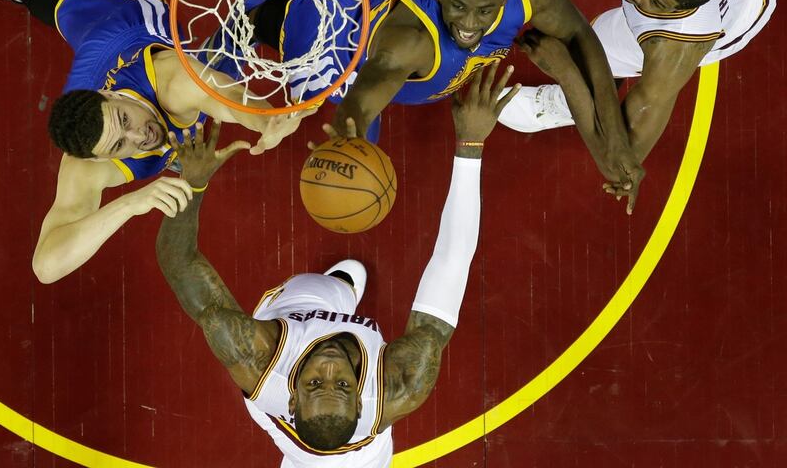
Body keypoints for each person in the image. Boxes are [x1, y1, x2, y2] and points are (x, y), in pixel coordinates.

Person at [154, 63, 519, 467]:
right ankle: (341, 290)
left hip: (295, 322)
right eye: (343, 384)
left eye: (314, 383)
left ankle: (338, 289)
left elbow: (179, 260)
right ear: (363, 406)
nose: (328, 367)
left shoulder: (255, 359)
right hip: (364, 460)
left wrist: (193, 181)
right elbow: (453, 260)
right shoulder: (401, 385)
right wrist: (470, 146)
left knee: (323, 289)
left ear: (290, 396)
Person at [0, 0, 313, 283]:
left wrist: (267, 121)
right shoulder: (86, 163)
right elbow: (46, 267)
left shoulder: (172, 80)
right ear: (98, 157)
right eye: (120, 145)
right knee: (72, 20)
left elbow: (231, 98)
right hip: (91, 77)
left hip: (122, 26)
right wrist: (130, 204)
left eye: (125, 121)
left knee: (62, 4)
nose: (139, 136)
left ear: (110, 94)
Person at [249, 0, 643, 210]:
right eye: (457, 6)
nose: (469, 25)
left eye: (485, 11)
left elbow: (580, 33)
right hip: (343, 38)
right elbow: (371, 84)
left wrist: (614, 139)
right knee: (285, 29)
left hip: (401, 16)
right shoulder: (410, 39)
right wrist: (347, 134)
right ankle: (253, 12)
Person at [501, 0, 780, 200]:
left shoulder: (675, 46)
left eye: (656, 2)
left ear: (676, 12)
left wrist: (567, 74)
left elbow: (623, 158)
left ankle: (564, 105)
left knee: (595, 52)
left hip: (748, 5)